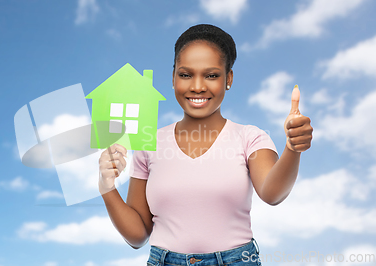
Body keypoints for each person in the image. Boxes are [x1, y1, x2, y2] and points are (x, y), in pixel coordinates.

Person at [98, 24, 313, 266]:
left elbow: (272, 193)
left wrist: (293, 149)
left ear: (228, 78)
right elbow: (138, 235)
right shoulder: (149, 143)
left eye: (211, 75)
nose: (197, 86)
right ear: (173, 78)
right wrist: (107, 187)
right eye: (185, 74)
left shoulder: (250, 138)